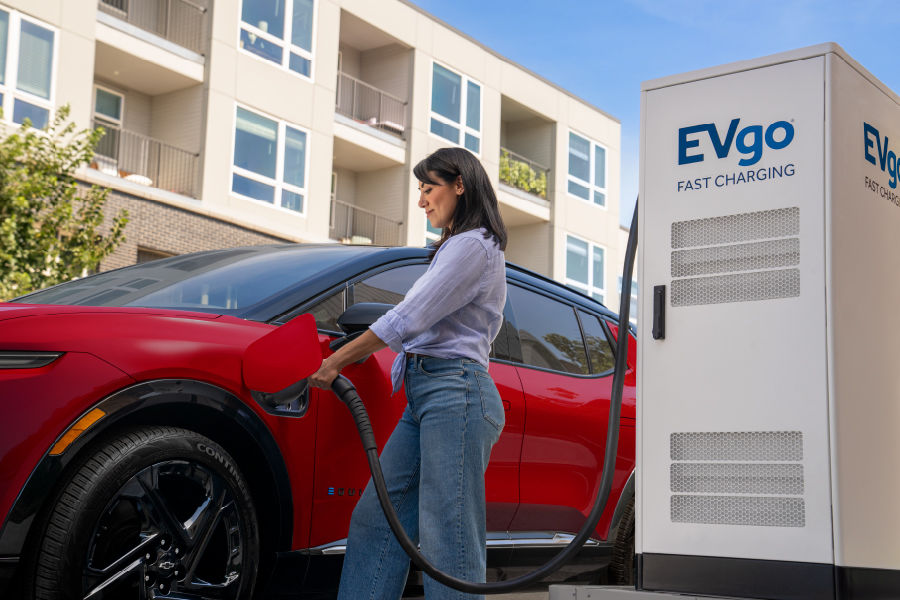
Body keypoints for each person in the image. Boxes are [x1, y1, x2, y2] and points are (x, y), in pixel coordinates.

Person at [309, 146, 508, 600]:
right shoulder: (457, 248)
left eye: (428, 187)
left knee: (447, 537)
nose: (422, 201)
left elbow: (408, 318)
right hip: (427, 396)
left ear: (460, 184)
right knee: (378, 520)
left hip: (454, 394)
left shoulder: (474, 245)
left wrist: (338, 359)